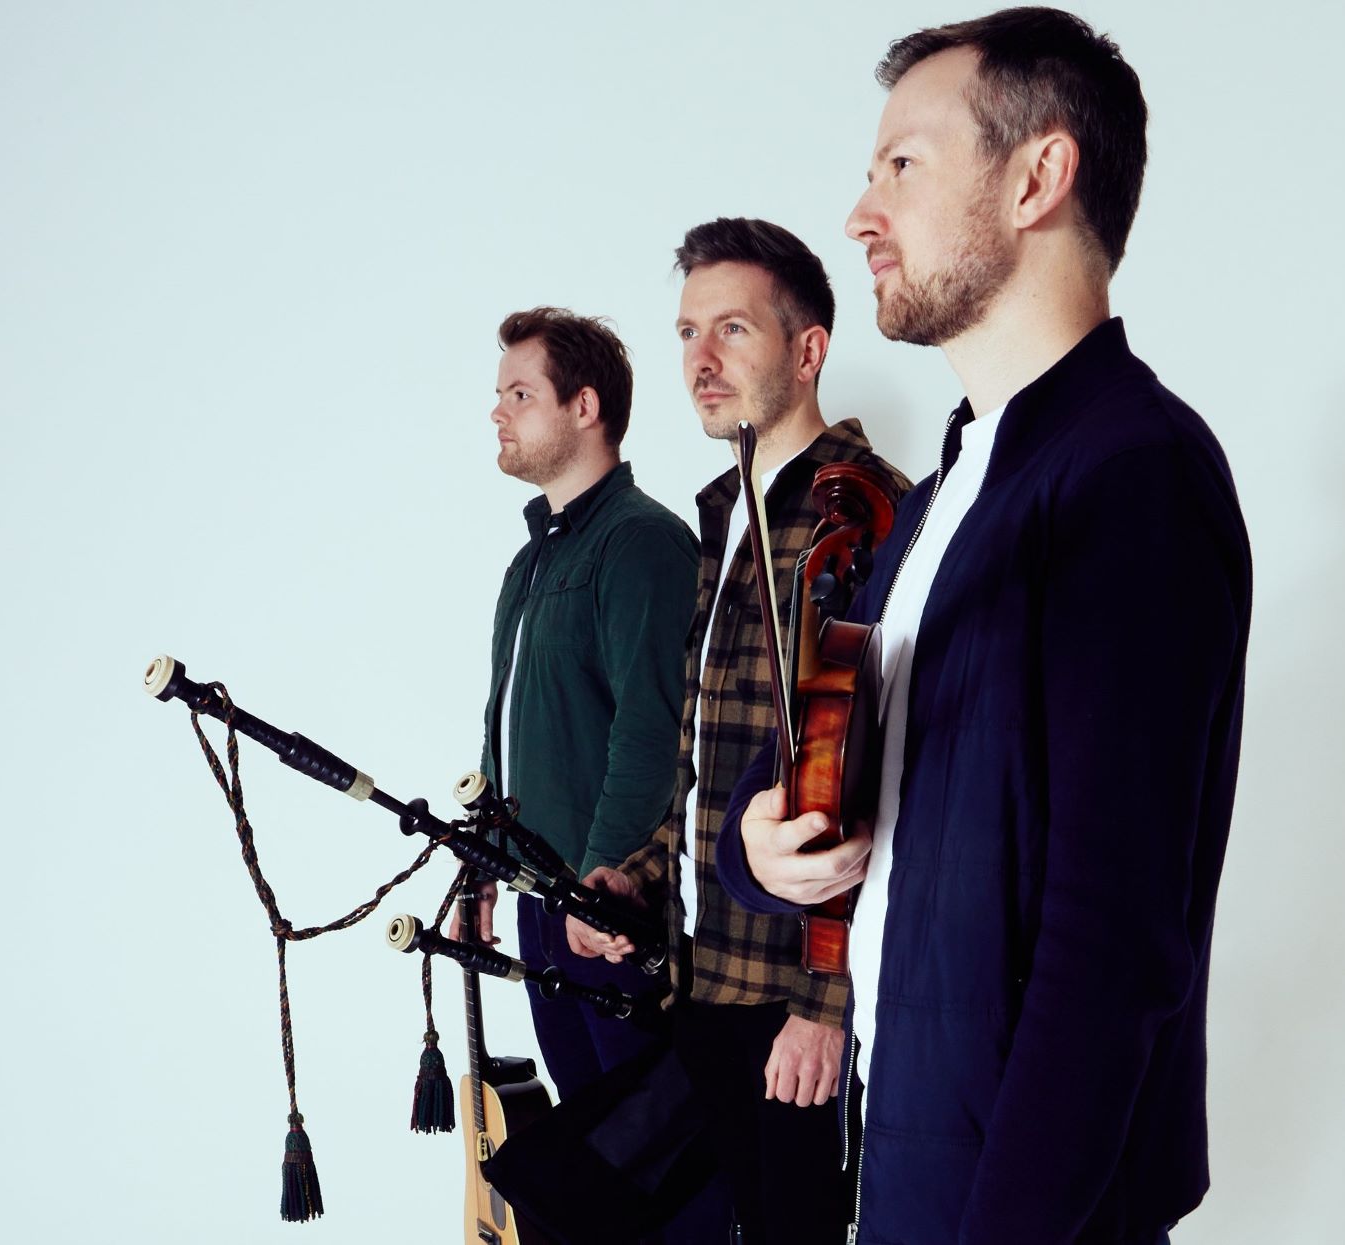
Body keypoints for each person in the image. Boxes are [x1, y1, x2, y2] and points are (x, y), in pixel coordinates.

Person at [715, 10, 1253, 1245]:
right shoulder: (940, 495)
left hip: (1019, 1203)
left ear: (1036, 178)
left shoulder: (1134, 473)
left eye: (901, 165)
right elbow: (800, 770)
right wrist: (761, 839)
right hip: (900, 1150)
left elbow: (1113, 946)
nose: (859, 213)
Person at [568, 218, 909, 1244]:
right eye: (685, 333)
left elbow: (870, 779)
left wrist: (825, 999)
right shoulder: (726, 514)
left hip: (791, 994)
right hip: (709, 972)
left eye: (731, 330)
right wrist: (639, 869)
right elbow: (706, 750)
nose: (700, 362)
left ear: (806, 352)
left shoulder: (869, 513)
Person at [460, 306, 698, 1103]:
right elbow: (505, 729)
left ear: (584, 407)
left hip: (610, 912)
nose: (498, 411)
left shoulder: (642, 544)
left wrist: (603, 887)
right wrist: (481, 869)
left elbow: (651, 733)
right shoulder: (530, 562)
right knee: (592, 1149)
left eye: (520, 394)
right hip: (541, 904)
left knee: (655, 1155)